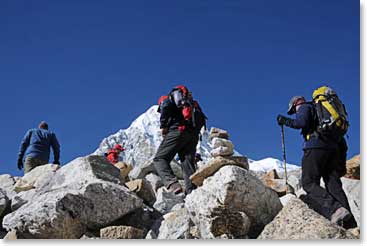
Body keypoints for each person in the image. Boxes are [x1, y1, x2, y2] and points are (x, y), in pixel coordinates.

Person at [277, 96, 357, 229]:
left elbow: (301, 123)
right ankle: (350, 224)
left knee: (308, 183)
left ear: (297, 103)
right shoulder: (324, 115)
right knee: (333, 185)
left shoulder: (305, 106)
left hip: (315, 147)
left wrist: (284, 120)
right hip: (332, 149)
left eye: (293, 110)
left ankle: (335, 209)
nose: (295, 112)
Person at [153, 86, 205, 195]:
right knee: (187, 163)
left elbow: (165, 106)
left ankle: (172, 184)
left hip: (178, 130)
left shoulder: (166, 99)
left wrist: (164, 126)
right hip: (193, 135)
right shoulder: (190, 103)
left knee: (160, 158)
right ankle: (192, 192)